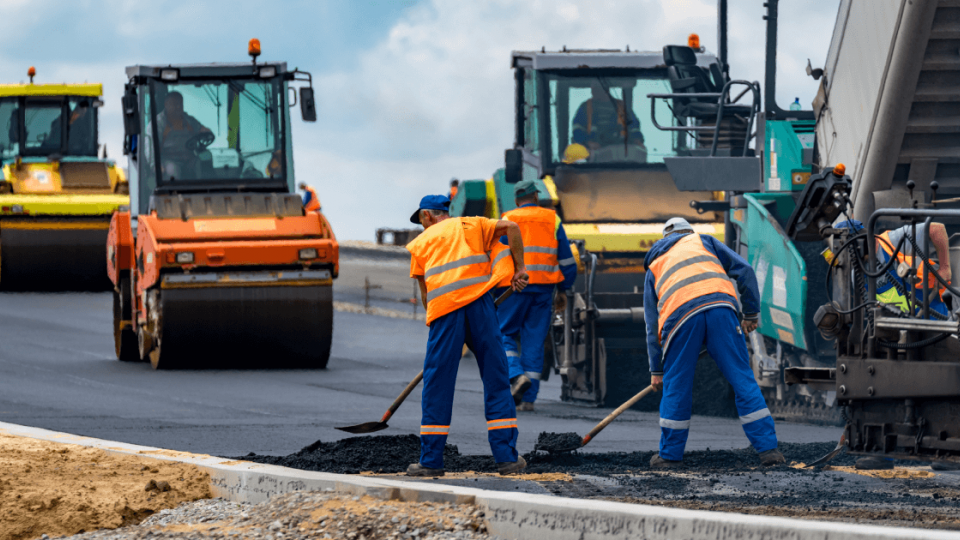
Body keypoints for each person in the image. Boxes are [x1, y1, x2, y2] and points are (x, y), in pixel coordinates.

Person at [405, 194, 530, 477]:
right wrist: (520, 268)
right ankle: (507, 459)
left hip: (446, 313)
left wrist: (440, 333)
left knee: (437, 383)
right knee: (497, 379)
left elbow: (426, 296)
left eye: (422, 220)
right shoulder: (473, 225)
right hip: (481, 306)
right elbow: (511, 227)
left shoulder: (421, 244)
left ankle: (431, 461)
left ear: (427, 216)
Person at [644, 217, 784, 468]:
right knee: (743, 379)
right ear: (689, 232)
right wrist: (750, 313)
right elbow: (746, 271)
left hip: (680, 319)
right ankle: (769, 451)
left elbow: (652, 325)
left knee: (677, 385)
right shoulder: (704, 242)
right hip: (721, 309)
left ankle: (669, 456)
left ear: (664, 239)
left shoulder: (655, 263)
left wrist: (657, 370)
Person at [497, 180, 577, 411]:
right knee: (534, 342)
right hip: (543, 290)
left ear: (516, 200)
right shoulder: (552, 219)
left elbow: (498, 256)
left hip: (513, 288)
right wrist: (564, 288)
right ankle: (528, 400)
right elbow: (567, 261)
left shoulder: (507, 218)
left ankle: (515, 375)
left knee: (502, 334)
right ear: (536, 197)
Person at [571, 80, 644, 151]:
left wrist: (637, 140)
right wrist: (588, 142)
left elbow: (634, 126)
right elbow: (577, 129)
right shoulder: (585, 107)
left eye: (597, 87)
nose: (593, 91)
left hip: (621, 151)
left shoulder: (622, 106)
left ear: (606, 89)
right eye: (592, 87)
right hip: (593, 153)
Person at [155, 92, 211, 179]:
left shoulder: (189, 121)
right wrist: (155, 165)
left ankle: (205, 190)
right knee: (173, 170)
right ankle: (173, 192)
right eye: (174, 104)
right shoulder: (158, 123)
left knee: (205, 158)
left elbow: (201, 130)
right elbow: (150, 147)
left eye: (180, 104)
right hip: (169, 160)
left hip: (189, 158)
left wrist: (205, 131)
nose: (178, 107)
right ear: (166, 105)